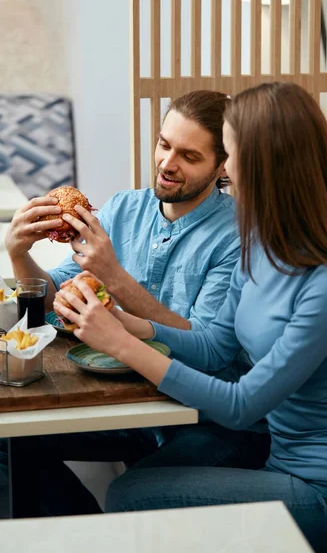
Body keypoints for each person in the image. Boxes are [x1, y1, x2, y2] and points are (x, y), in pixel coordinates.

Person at [55, 82, 327, 553]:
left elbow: (243, 405)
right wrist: (122, 321)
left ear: (261, 163)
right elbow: (215, 345)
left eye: (230, 153)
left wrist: (121, 345)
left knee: (130, 495)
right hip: (286, 467)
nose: (227, 169)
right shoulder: (260, 246)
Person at [1, 90, 270, 518]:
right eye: (164, 144)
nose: (167, 163)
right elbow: (58, 303)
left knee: (133, 493)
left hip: (209, 421)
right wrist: (18, 253)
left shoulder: (240, 234)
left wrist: (115, 278)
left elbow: (210, 351)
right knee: (7, 443)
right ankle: (80, 537)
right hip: (132, 408)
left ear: (223, 165)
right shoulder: (126, 208)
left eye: (189, 155)